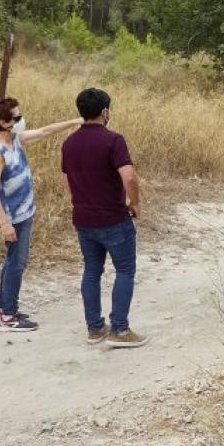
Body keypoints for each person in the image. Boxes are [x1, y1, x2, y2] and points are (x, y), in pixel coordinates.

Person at [0, 96, 78, 333]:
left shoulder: (14, 140)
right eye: (17, 117)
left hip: (24, 212)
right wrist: (5, 224)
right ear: (4, 122)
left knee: (12, 260)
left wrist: (75, 121)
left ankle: (2, 307)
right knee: (17, 263)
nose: (21, 120)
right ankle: (9, 316)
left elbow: (45, 131)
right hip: (12, 217)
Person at [61, 86, 145, 348]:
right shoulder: (113, 140)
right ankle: (120, 329)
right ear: (105, 111)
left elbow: (66, 179)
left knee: (92, 270)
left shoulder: (69, 142)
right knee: (125, 269)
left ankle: (95, 327)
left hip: (83, 218)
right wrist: (135, 202)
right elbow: (129, 176)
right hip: (113, 218)